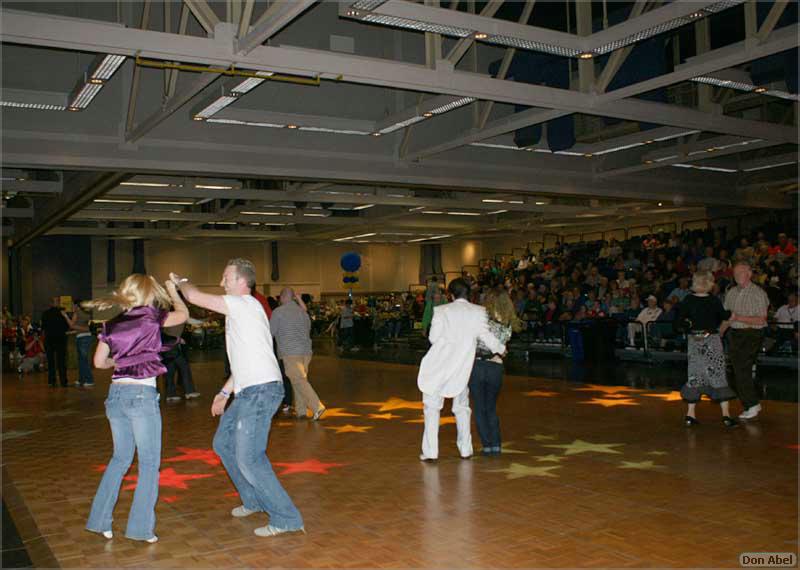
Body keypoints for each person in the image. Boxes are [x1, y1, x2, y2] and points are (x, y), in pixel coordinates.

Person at [170, 259, 304, 538]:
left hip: (261, 391)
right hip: (248, 391)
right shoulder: (242, 312)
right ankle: (253, 500)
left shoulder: (244, 304)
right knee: (222, 444)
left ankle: (287, 517)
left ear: (242, 281)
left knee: (250, 458)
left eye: (225, 277)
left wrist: (180, 282)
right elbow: (244, 361)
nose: (222, 283)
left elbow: (194, 296)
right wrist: (223, 392)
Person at [85, 274, 188, 543]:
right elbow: (183, 314)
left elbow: (99, 362)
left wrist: (118, 364)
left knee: (119, 459)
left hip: (116, 395)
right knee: (149, 463)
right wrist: (172, 291)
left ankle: (99, 521)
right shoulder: (152, 318)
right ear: (149, 293)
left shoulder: (111, 324)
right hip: (141, 396)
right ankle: (140, 529)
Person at [417, 278, 505, 461]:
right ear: (470, 294)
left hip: (438, 365)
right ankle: (465, 449)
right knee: (462, 408)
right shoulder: (478, 312)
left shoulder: (440, 310)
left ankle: (431, 452)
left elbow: (433, 338)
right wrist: (501, 348)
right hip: (461, 367)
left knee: (431, 408)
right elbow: (486, 336)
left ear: (450, 294)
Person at [675, 272, 738, 428]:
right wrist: (732, 314)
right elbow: (724, 315)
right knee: (717, 374)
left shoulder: (688, 300)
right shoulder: (713, 300)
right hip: (712, 341)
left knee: (695, 375)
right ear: (709, 283)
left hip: (694, 342)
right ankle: (726, 416)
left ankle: (690, 415)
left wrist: (690, 327)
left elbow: (678, 323)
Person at [469, 290, 520, 456]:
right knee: (490, 407)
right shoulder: (507, 325)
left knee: (479, 408)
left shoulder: (483, 323)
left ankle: (487, 445)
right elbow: (502, 348)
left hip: (478, 365)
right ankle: (496, 445)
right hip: (496, 368)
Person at [270, 288, 325, 421]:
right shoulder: (303, 312)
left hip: (290, 352)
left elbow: (270, 332)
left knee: (298, 380)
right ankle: (301, 411)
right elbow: (308, 328)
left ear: (282, 297)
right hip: (306, 352)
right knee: (298, 380)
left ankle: (317, 406)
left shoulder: (278, 312)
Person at [724, 260, 769, 420]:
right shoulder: (731, 292)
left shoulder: (758, 293)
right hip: (735, 333)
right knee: (736, 370)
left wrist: (739, 317)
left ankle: (751, 404)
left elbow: (761, 320)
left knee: (742, 368)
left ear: (749, 274)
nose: (737, 276)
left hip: (752, 334)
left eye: (740, 273)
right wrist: (718, 333)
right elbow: (727, 318)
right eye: (735, 273)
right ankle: (751, 403)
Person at [161, 323, 200, 403]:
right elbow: (196, 322)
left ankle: (171, 395)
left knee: (171, 369)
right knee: (184, 366)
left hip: (168, 346)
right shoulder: (178, 317)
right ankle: (189, 392)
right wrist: (177, 339)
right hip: (171, 345)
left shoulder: (169, 317)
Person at [41, 297, 71, 387]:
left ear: (50, 303)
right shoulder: (62, 313)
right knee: (61, 361)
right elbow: (67, 327)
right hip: (60, 339)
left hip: (49, 340)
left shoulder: (45, 314)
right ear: (57, 303)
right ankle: (63, 381)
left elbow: (43, 327)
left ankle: (51, 381)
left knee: (51, 361)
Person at [69, 300, 95, 387]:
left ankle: (89, 380)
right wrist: (84, 329)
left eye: (72, 305)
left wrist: (65, 316)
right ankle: (82, 380)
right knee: (82, 360)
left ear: (76, 306)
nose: (72, 307)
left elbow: (71, 325)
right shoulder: (87, 314)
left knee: (83, 360)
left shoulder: (76, 313)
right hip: (87, 337)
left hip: (82, 338)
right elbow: (86, 327)